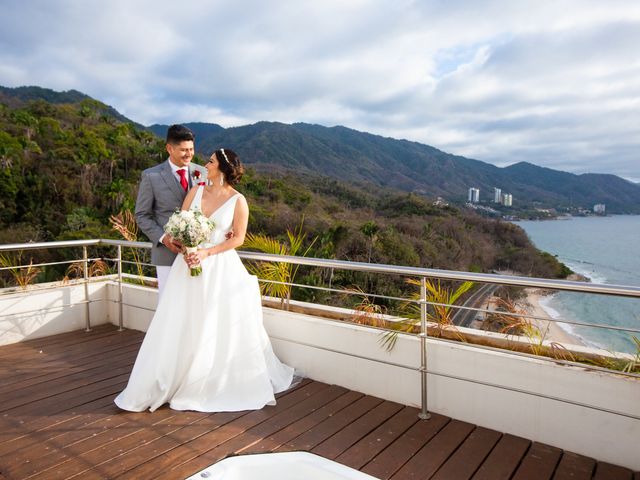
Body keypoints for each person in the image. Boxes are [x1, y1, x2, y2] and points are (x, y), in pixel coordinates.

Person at [115, 148, 295, 412]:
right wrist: (186, 248)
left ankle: (204, 379)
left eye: (210, 161)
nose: (205, 164)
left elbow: (238, 238)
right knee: (180, 319)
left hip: (219, 266)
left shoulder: (238, 200)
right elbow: (179, 222)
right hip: (186, 266)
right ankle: (169, 378)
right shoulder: (196, 191)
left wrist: (206, 252)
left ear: (221, 167)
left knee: (212, 322)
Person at [134, 124, 207, 298]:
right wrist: (163, 238)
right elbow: (142, 215)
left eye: (191, 149)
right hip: (167, 254)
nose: (189, 154)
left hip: (198, 254)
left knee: (196, 302)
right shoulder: (151, 176)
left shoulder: (201, 172)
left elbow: (210, 207)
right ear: (169, 148)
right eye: (183, 150)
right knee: (169, 303)